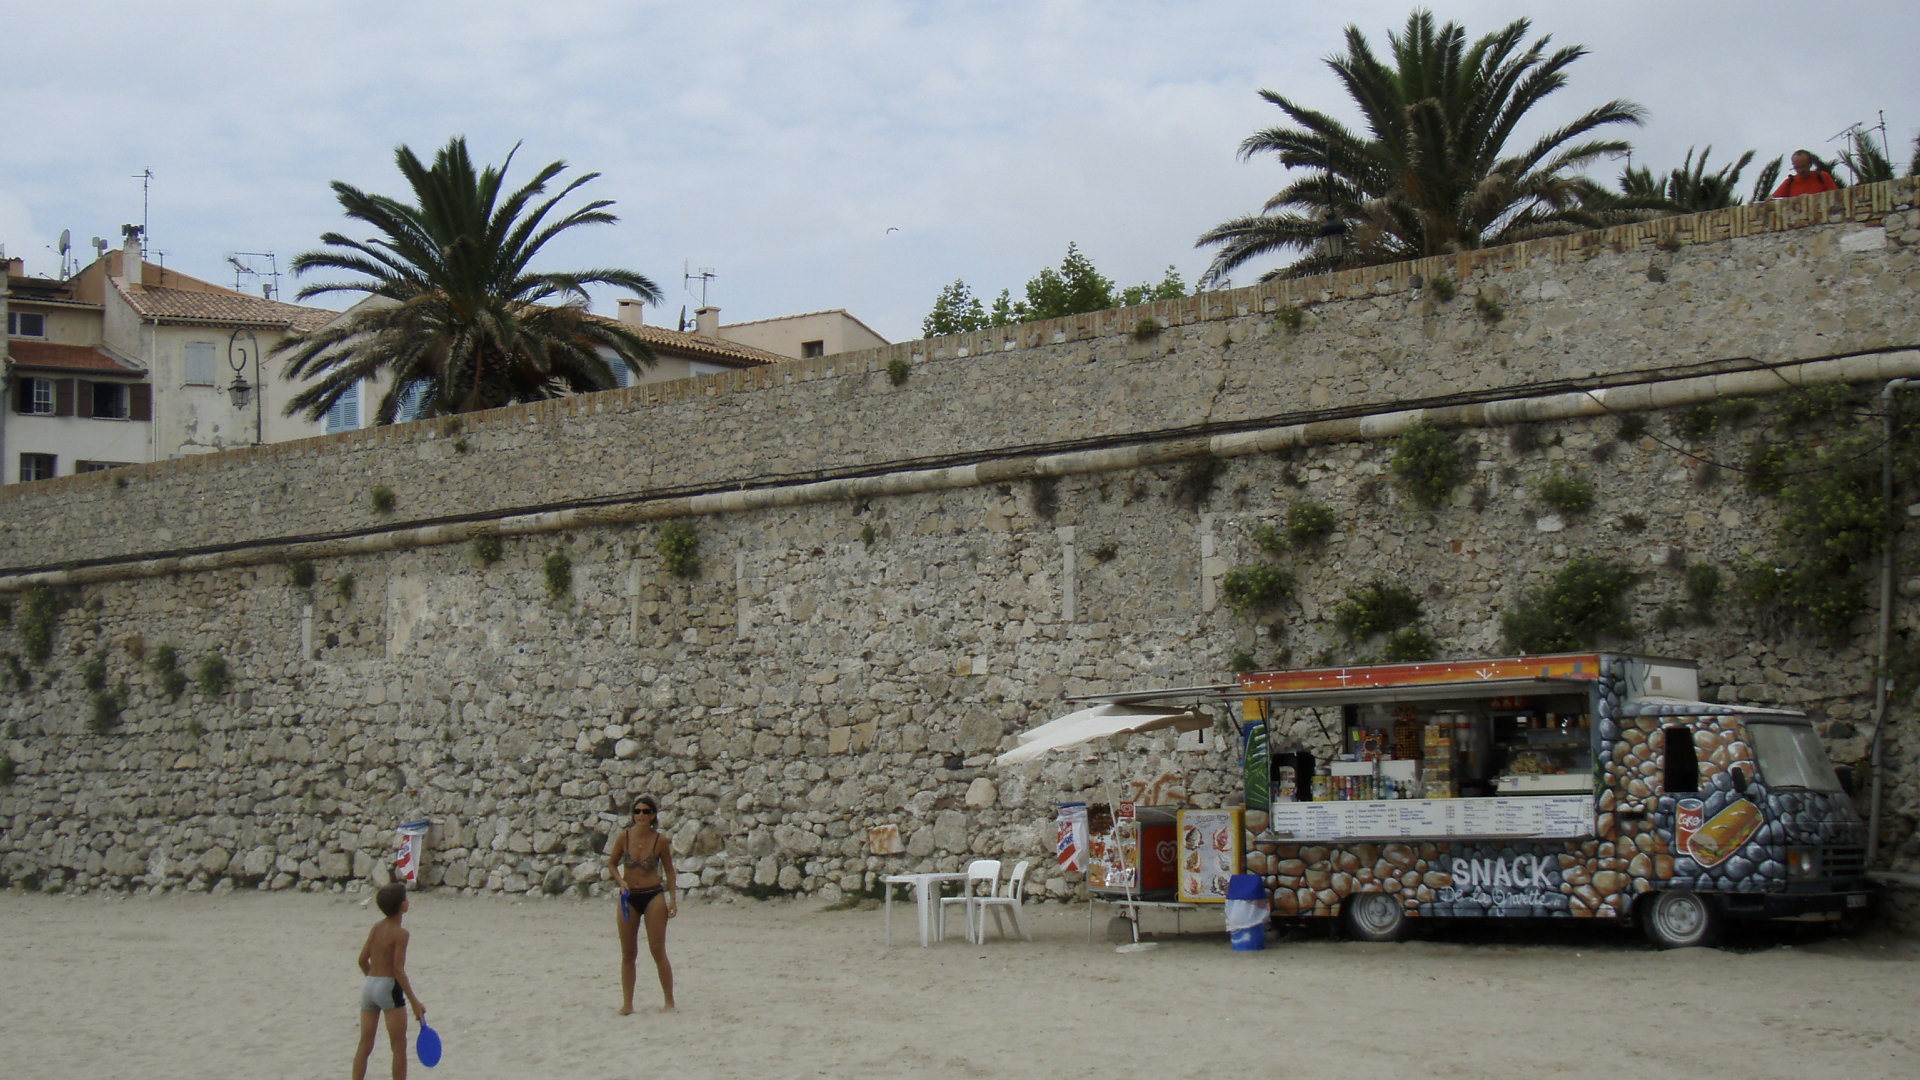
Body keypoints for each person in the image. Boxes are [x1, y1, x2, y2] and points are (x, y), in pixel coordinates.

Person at [608, 792, 678, 1013]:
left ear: (653, 815)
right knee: (628, 953)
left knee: (657, 950)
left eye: (645, 812)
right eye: (637, 811)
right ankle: (627, 1003)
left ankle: (669, 1001)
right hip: (629, 897)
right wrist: (620, 881)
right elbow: (611, 864)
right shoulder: (624, 838)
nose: (641, 815)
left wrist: (673, 899)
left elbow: (669, 871)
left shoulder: (660, 841)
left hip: (653, 895)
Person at [354, 883, 427, 1080]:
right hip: (388, 987)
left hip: (369, 986)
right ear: (403, 905)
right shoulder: (402, 934)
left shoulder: (377, 928)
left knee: (364, 1045)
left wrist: (373, 980)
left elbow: (362, 960)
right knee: (398, 1046)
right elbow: (398, 969)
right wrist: (415, 1003)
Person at [1771, 149, 1839, 198]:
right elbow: (1772, 201)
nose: (1800, 171)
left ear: (1810, 164)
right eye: (1797, 167)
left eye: (1803, 166)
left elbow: (1836, 197)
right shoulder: (1790, 182)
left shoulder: (1822, 177)